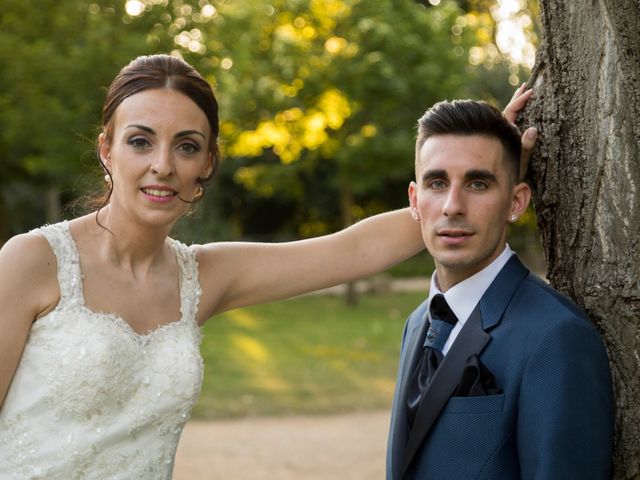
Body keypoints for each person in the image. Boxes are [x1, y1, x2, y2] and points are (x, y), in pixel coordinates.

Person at [386, 97, 614, 479]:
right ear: (414, 200)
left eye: (478, 183)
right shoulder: (417, 323)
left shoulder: (556, 338)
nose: (452, 206)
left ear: (516, 201)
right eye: (437, 182)